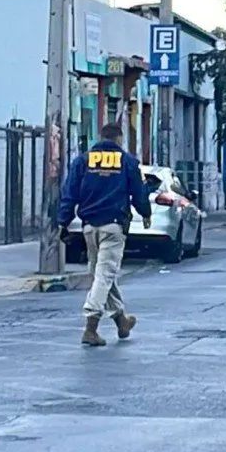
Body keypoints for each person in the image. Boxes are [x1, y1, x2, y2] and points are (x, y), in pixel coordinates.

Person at [58, 122, 153, 346]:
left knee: (100, 274)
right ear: (119, 139)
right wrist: (145, 213)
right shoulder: (128, 162)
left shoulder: (82, 161)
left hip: (89, 226)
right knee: (104, 275)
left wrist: (63, 222)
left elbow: (69, 193)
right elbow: (138, 194)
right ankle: (91, 326)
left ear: (100, 137)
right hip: (113, 226)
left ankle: (121, 320)